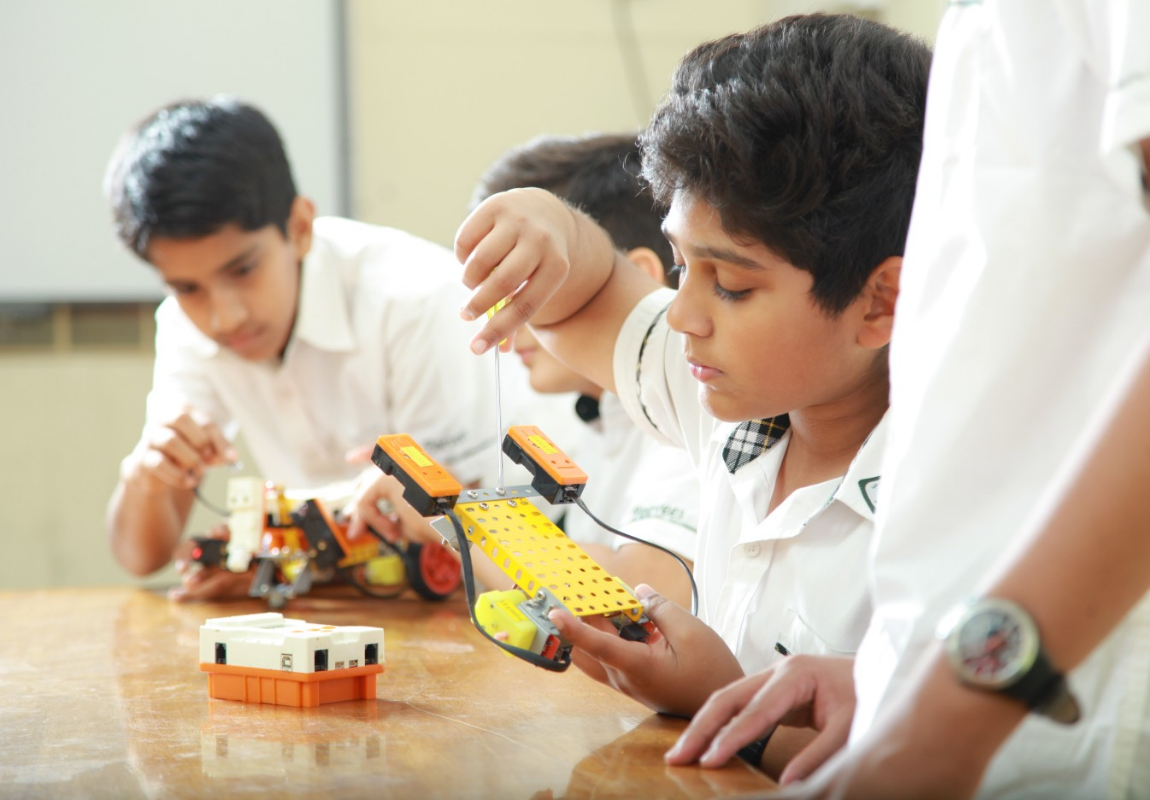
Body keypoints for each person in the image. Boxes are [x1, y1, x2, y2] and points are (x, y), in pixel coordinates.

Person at [666, 1, 1150, 797]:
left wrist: (951, 716)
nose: (681, 316)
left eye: (734, 286)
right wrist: (891, 680)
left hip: (1056, 731)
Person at [453, 14, 930, 778]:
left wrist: (719, 699)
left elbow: (923, 768)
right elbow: (591, 296)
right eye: (679, 265)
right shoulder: (741, 394)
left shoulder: (942, 506)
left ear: (881, 303)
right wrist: (550, 224)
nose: (681, 315)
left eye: (731, 285)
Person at [104, 97, 500, 600]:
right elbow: (143, 557)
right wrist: (144, 477)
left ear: (299, 227)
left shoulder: (415, 300)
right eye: (186, 287)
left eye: (242, 270)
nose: (225, 317)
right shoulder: (186, 326)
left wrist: (283, 566)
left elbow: (452, 528)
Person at [470, 132, 699, 609]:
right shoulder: (597, 419)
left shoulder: (685, 412)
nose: (504, 318)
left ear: (640, 277)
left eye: (523, 283)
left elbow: (645, 592)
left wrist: (452, 520)